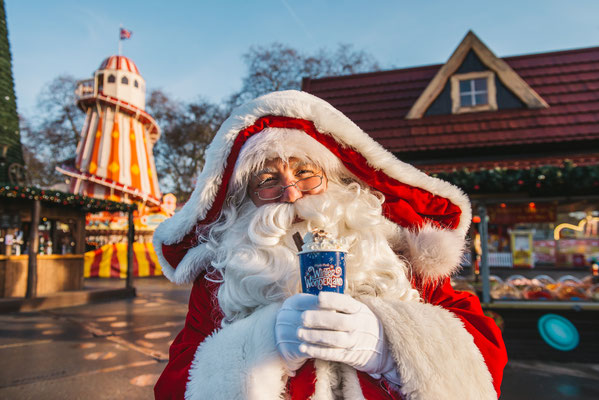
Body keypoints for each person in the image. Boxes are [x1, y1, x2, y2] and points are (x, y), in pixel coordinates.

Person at [153, 90, 507, 399]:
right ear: (246, 199)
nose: (291, 193)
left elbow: (485, 348)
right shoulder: (220, 277)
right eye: (267, 180)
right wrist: (260, 348)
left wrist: (390, 344)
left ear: (336, 179)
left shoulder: (399, 255)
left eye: (305, 172)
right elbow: (175, 382)